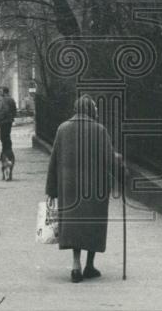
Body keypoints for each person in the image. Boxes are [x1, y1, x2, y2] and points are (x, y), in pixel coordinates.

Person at [45, 94, 117, 283]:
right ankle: (89, 265)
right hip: (95, 188)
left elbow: (53, 160)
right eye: (95, 108)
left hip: (69, 188)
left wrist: (51, 190)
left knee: (75, 224)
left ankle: (76, 265)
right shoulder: (100, 130)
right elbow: (110, 160)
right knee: (93, 224)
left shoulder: (63, 129)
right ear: (90, 110)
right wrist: (123, 173)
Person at [0, 86, 17, 158]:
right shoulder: (11, 99)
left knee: (4, 138)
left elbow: (4, 111)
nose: (0, 93)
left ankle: (6, 154)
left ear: (4, 92)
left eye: (1, 91)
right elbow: (14, 111)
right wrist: (11, 117)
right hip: (8, 121)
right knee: (6, 138)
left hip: (4, 121)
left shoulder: (5, 100)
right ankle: (6, 154)